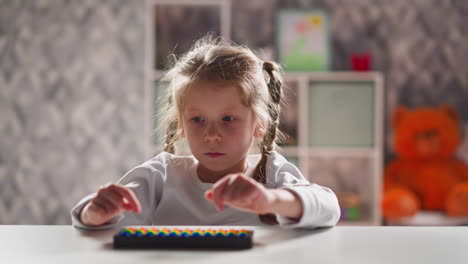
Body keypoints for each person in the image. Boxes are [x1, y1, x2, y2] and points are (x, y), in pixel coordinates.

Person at [71, 37, 340, 229]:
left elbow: (328, 208)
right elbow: (98, 217)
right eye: (198, 119)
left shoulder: (271, 172)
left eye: (228, 119)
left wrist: (270, 200)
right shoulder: (162, 174)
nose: (212, 134)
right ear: (181, 126)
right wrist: (95, 212)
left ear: (259, 123)